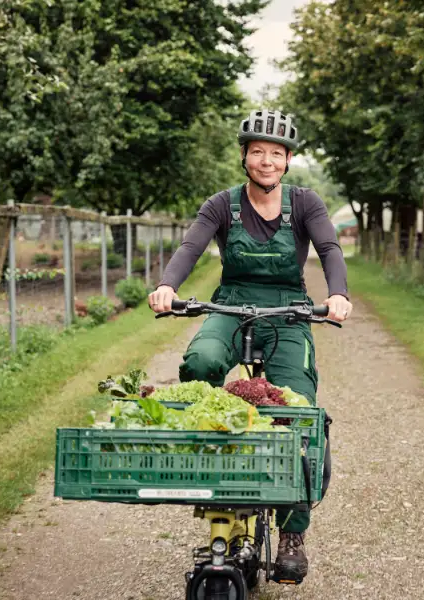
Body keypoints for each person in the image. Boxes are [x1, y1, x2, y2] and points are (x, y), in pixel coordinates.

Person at [148, 108, 351, 581]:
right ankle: (213, 472)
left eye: (275, 154)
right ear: (244, 157)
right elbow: (190, 249)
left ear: (287, 160)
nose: (266, 161)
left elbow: (329, 251)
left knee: (299, 408)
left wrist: (337, 294)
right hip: (231, 305)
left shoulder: (305, 204)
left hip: (290, 310)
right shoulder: (222, 204)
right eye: (257, 152)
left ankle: (292, 533)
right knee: (201, 361)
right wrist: (167, 286)